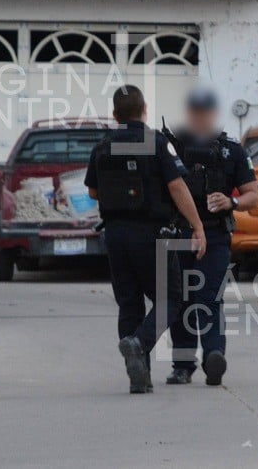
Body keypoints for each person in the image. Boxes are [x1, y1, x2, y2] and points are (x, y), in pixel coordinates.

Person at [85, 85, 207, 394]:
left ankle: (139, 375)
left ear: (114, 115)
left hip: (114, 236)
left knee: (129, 303)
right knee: (170, 299)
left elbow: (93, 192)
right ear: (145, 110)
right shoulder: (156, 142)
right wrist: (197, 226)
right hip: (153, 235)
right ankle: (139, 343)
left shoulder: (102, 146)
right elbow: (178, 187)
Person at [164, 87, 258, 387]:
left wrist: (231, 202)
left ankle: (214, 356)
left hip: (215, 234)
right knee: (179, 299)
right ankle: (182, 365)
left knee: (209, 298)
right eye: (195, 112)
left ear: (213, 115)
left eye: (205, 113)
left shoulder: (231, 150)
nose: (200, 118)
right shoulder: (171, 146)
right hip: (179, 233)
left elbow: (253, 196)